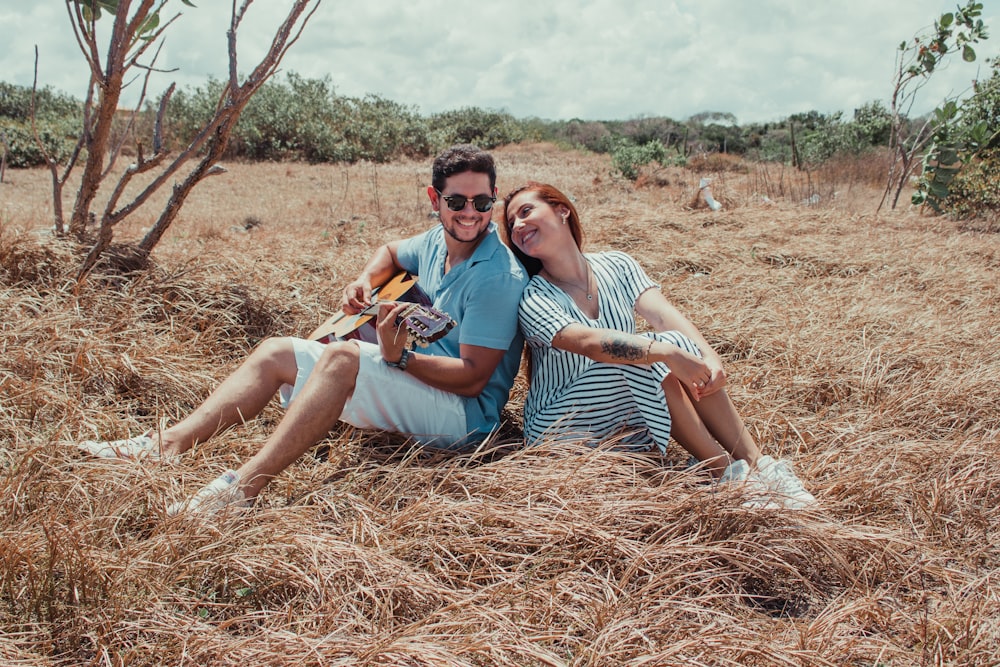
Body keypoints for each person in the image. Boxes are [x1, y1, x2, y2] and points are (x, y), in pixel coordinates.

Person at [78, 145, 528, 516]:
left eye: (483, 203)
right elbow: (389, 251)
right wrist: (364, 281)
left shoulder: (497, 276)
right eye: (457, 202)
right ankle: (165, 445)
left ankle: (238, 492)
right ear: (435, 200)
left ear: (495, 200)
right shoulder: (434, 241)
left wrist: (399, 359)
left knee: (341, 358)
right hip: (414, 377)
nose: (470, 213)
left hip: (464, 419)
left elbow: (473, 380)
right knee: (276, 351)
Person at [498, 181, 817, 510]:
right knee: (646, 351)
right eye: (511, 224)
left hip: (620, 411)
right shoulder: (534, 296)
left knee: (674, 341)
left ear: (562, 209)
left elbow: (664, 316)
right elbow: (591, 343)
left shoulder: (617, 265)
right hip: (563, 427)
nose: (518, 225)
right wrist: (665, 352)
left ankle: (760, 465)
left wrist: (708, 357)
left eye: (526, 211)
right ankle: (727, 476)